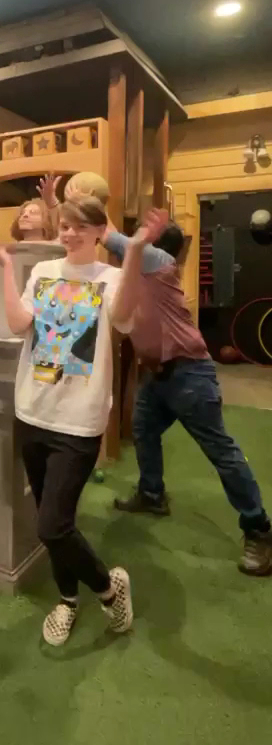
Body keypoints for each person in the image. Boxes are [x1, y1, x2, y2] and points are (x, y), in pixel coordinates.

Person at [0, 195, 134, 646]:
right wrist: (6, 269)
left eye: (79, 226)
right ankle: (67, 599)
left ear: (99, 231)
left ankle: (109, 590)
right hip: (32, 410)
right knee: (53, 523)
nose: (69, 233)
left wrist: (138, 252)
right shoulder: (44, 271)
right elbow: (17, 325)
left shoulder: (111, 278)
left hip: (79, 420)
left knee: (52, 526)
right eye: (64, 225)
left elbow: (125, 321)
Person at [107, 210, 272, 576]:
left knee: (220, 451)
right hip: (158, 375)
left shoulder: (156, 260)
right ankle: (152, 494)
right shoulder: (139, 268)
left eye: (142, 233)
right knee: (144, 428)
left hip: (189, 375)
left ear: (153, 242)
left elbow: (107, 234)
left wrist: (77, 198)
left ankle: (259, 529)